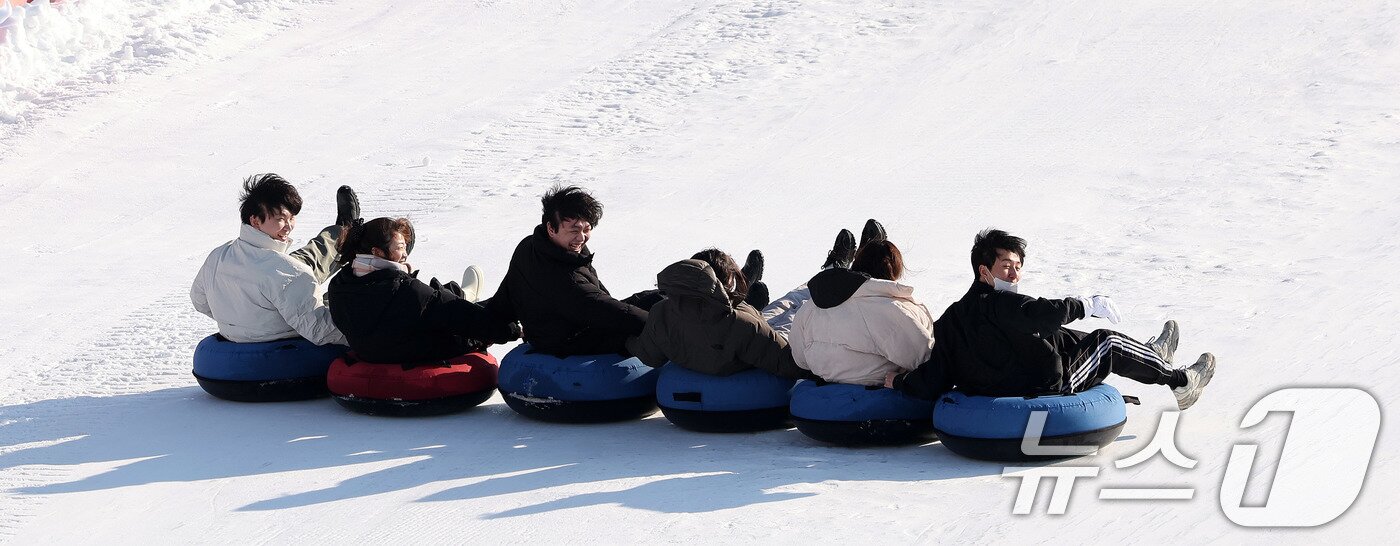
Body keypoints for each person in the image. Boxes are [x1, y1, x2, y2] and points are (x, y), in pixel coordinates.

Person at [888, 229, 1217, 410]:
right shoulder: (1000, 303)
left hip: (1014, 381)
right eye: (1006, 266)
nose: (1014, 274)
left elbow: (934, 377)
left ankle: (1149, 356)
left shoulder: (953, 318)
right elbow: (1041, 315)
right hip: (1047, 388)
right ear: (984, 271)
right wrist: (1086, 304)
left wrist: (900, 382)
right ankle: (1181, 382)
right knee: (1107, 342)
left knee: (1059, 336)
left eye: (1018, 266)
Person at [486, 185, 663, 356]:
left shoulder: (530, 245)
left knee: (658, 298)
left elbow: (508, 294)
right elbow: (602, 308)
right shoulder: (563, 278)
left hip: (572, 323)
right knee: (656, 312)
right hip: (569, 341)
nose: (581, 237)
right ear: (551, 228)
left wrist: (491, 326)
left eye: (587, 229)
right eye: (574, 230)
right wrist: (664, 328)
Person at [191, 174, 359, 346]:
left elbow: (199, 301)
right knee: (343, 296)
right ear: (255, 221)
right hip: (283, 345)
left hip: (251, 323)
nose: (289, 226)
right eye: (280, 219)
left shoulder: (218, 256)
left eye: (291, 218)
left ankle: (344, 233)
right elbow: (320, 331)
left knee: (303, 261)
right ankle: (348, 236)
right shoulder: (286, 272)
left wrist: (239, 319)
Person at [324, 217, 521, 363]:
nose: (404, 254)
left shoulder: (339, 286)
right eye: (400, 247)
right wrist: (509, 331)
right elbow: (455, 314)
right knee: (460, 310)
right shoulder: (406, 291)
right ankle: (468, 297)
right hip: (418, 349)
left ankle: (462, 294)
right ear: (377, 252)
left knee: (439, 297)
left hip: (371, 351)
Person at [624, 249, 816, 380]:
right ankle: (832, 280)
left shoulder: (662, 312)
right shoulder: (740, 324)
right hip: (762, 346)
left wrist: (625, 339)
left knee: (775, 310)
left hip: (742, 337)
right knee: (795, 308)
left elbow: (649, 356)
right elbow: (790, 364)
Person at [786, 239, 935, 386]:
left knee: (789, 305)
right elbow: (928, 361)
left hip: (819, 398)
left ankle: (833, 268)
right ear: (894, 272)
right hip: (875, 399)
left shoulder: (810, 307)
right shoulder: (892, 311)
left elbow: (800, 359)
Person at [761, 219, 887, 334]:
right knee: (807, 310)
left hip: (753, 336)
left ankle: (833, 273)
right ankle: (862, 272)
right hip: (778, 350)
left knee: (787, 302)